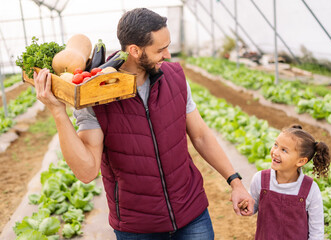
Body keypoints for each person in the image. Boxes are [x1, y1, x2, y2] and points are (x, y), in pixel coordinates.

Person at [33, 7, 254, 239]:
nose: (168, 55)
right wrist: (59, 112)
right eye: (161, 49)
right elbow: (87, 171)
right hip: (137, 226)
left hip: (191, 214)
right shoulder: (94, 95)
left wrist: (235, 181)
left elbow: (200, 136)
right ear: (135, 51)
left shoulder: (175, 77)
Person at [242, 124, 330, 240]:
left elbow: (316, 232)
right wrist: (246, 206)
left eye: (284, 150)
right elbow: (253, 207)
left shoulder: (310, 189)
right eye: (276, 145)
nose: (275, 152)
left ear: (301, 161)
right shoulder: (260, 179)